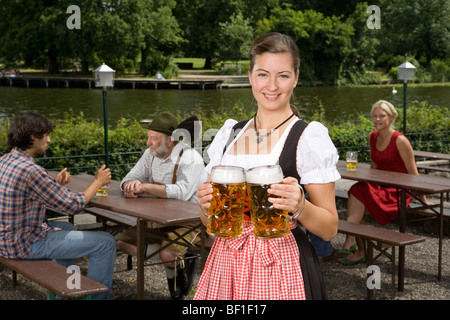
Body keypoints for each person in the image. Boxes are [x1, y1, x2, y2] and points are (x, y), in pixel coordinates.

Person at [194, 32, 340, 300]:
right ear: (250, 76)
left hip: (281, 265)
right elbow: (209, 223)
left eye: (283, 75)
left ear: (296, 78)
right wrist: (205, 208)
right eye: (263, 74)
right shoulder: (229, 133)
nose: (272, 85)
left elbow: (329, 229)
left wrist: (301, 206)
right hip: (226, 262)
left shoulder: (308, 137)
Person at [0, 112, 116, 300]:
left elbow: (26, 196)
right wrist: (97, 182)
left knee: (66, 226)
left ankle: (66, 292)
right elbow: (73, 205)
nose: (49, 140)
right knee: (106, 242)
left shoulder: (5, 161)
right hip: (24, 245)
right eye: (46, 135)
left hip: (6, 240)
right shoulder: (31, 171)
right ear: (32, 137)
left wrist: (55, 184)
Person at [117, 111, 207, 299]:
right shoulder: (150, 154)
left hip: (189, 219)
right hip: (158, 217)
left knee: (167, 255)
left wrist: (147, 187)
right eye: (148, 137)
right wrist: (129, 184)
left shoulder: (191, 158)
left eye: (154, 139)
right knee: (124, 242)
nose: (148, 143)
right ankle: (181, 259)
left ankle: (176, 286)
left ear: (170, 140)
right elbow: (129, 176)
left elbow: (182, 192)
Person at [339, 100, 432, 265]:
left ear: (391, 117)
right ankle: (358, 245)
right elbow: (374, 167)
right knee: (357, 190)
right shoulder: (372, 137)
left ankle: (354, 243)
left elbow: (414, 174)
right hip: (379, 186)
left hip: (398, 191)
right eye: (374, 116)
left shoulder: (400, 141)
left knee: (358, 196)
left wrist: (423, 200)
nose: (377, 119)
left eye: (382, 116)